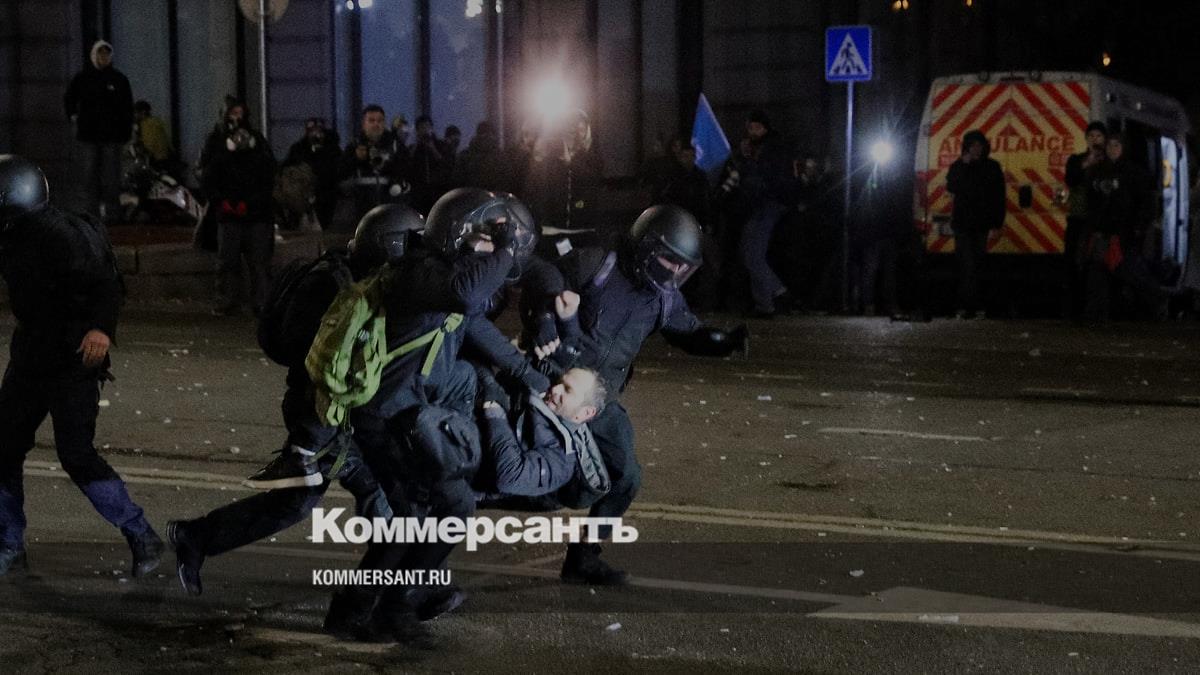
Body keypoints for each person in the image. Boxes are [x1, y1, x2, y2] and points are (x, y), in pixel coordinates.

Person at [165, 205, 424, 596]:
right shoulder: (336, 289)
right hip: (321, 413)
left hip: (325, 412)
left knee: (300, 501)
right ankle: (404, 587)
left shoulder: (350, 276)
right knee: (383, 491)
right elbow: (321, 361)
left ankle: (196, 537)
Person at [529, 205, 749, 585]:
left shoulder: (663, 297)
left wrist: (722, 342)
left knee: (625, 476)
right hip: (554, 387)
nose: (675, 272)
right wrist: (544, 321)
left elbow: (686, 332)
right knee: (517, 475)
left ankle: (584, 556)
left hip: (598, 400)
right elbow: (541, 281)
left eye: (683, 266)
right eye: (669, 261)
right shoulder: (597, 264)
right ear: (646, 248)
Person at [0, 155, 162, 578]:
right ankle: (9, 544)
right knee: (3, 447)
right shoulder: (12, 233)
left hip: (72, 360)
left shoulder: (61, 235)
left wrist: (100, 329)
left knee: (76, 454)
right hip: (31, 355)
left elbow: (105, 283)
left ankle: (141, 533)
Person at [1082, 133, 1168, 321]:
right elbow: (1091, 202)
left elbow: (1145, 202)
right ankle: (1096, 314)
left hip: (1124, 232)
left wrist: (1139, 226)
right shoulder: (1098, 172)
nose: (1112, 149)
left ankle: (1157, 302)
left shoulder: (1133, 173)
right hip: (1101, 232)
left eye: (1116, 145)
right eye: (1109, 145)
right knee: (1098, 272)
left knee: (1130, 271)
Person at [202, 117, 277, 316]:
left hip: (257, 216)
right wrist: (223, 202)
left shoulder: (261, 159)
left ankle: (261, 302)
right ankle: (227, 301)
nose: (241, 138)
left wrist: (248, 204)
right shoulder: (221, 159)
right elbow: (209, 184)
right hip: (230, 217)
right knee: (228, 261)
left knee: (260, 262)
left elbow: (267, 187)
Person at [736, 110, 798, 318]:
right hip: (764, 205)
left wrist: (747, 159)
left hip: (766, 204)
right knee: (751, 254)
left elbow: (760, 177)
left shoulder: (770, 149)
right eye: (750, 127)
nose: (752, 132)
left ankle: (772, 297)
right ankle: (767, 300)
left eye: (756, 127)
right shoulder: (769, 147)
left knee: (752, 255)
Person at [64, 40, 133, 224]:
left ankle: (112, 214)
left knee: (111, 178)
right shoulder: (83, 78)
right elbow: (69, 98)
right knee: (89, 177)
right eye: (101, 54)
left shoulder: (118, 79)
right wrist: (73, 116)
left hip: (111, 136)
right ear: (94, 55)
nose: (104, 57)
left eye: (106, 54)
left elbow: (127, 107)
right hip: (89, 135)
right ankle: (91, 214)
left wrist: (125, 131)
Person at [945, 129, 1006, 319]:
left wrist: (997, 223)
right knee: (967, 265)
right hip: (963, 224)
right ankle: (967, 306)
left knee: (977, 265)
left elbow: (999, 196)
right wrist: (963, 165)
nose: (976, 149)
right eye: (972, 145)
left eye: (979, 145)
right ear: (966, 148)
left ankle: (974, 305)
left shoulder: (992, 167)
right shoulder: (959, 166)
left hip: (981, 224)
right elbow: (951, 185)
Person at [335, 105, 408, 230]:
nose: (376, 124)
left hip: (390, 206)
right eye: (371, 120)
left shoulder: (395, 145)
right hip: (361, 208)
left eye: (380, 121)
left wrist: (388, 166)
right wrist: (357, 159)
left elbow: (407, 169)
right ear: (364, 124)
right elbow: (340, 173)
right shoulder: (354, 145)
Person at [1062, 121, 1107, 318]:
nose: (1095, 139)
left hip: (1099, 220)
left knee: (1096, 264)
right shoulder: (1076, 160)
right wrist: (1087, 163)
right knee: (1074, 262)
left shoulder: (1108, 161)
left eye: (1099, 136)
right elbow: (1070, 179)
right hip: (1078, 218)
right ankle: (1074, 307)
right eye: (1091, 136)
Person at [284, 118, 341, 229]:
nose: (316, 134)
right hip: (302, 196)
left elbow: (337, 169)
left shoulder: (332, 149)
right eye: (312, 131)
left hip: (327, 196)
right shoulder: (299, 149)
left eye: (319, 131)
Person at [455, 121, 506, 192]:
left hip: (472, 196)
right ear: (492, 135)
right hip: (494, 196)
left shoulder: (465, 155)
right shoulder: (500, 155)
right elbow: (505, 180)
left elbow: (457, 181)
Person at [133, 100, 173, 169]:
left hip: (157, 158)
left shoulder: (147, 124)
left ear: (143, 112)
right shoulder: (156, 121)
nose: (134, 115)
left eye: (136, 112)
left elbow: (150, 144)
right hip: (165, 156)